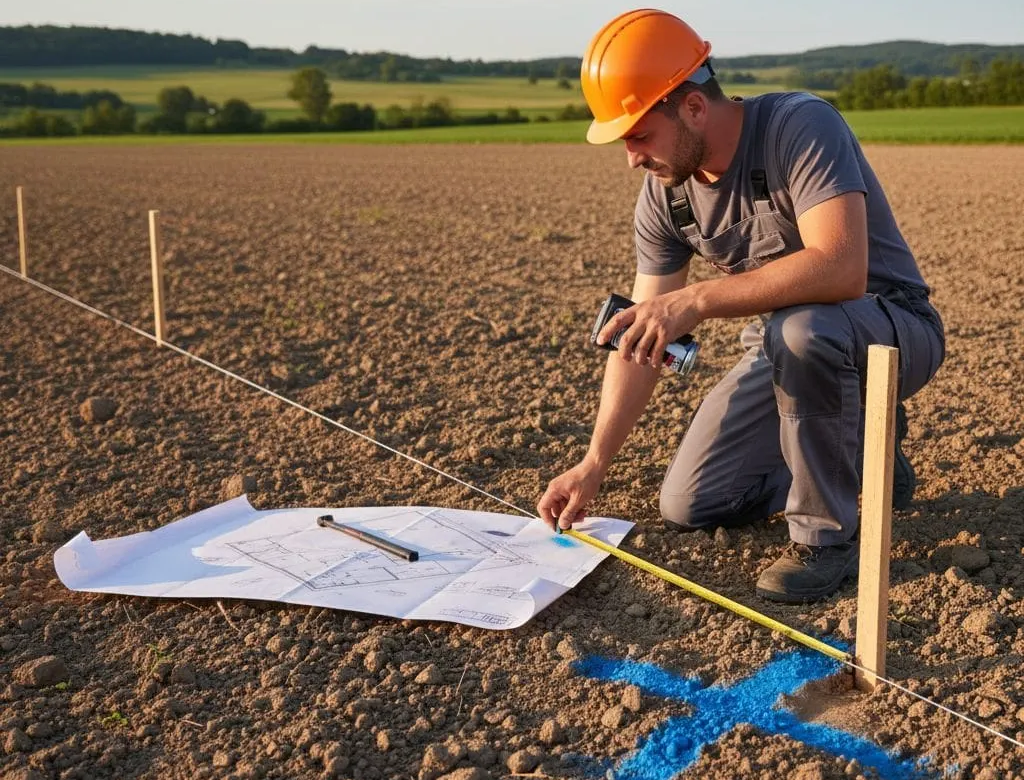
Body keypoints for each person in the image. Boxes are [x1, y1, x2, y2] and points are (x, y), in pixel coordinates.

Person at [536, 9, 945, 603]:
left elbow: (841, 266)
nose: (630, 157)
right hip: (788, 352)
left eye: (640, 135)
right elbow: (643, 333)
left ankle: (826, 539)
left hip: (892, 328)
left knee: (804, 329)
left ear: (694, 107)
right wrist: (594, 463)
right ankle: (860, 446)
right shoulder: (666, 196)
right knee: (691, 504)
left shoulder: (799, 126)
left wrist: (697, 300)